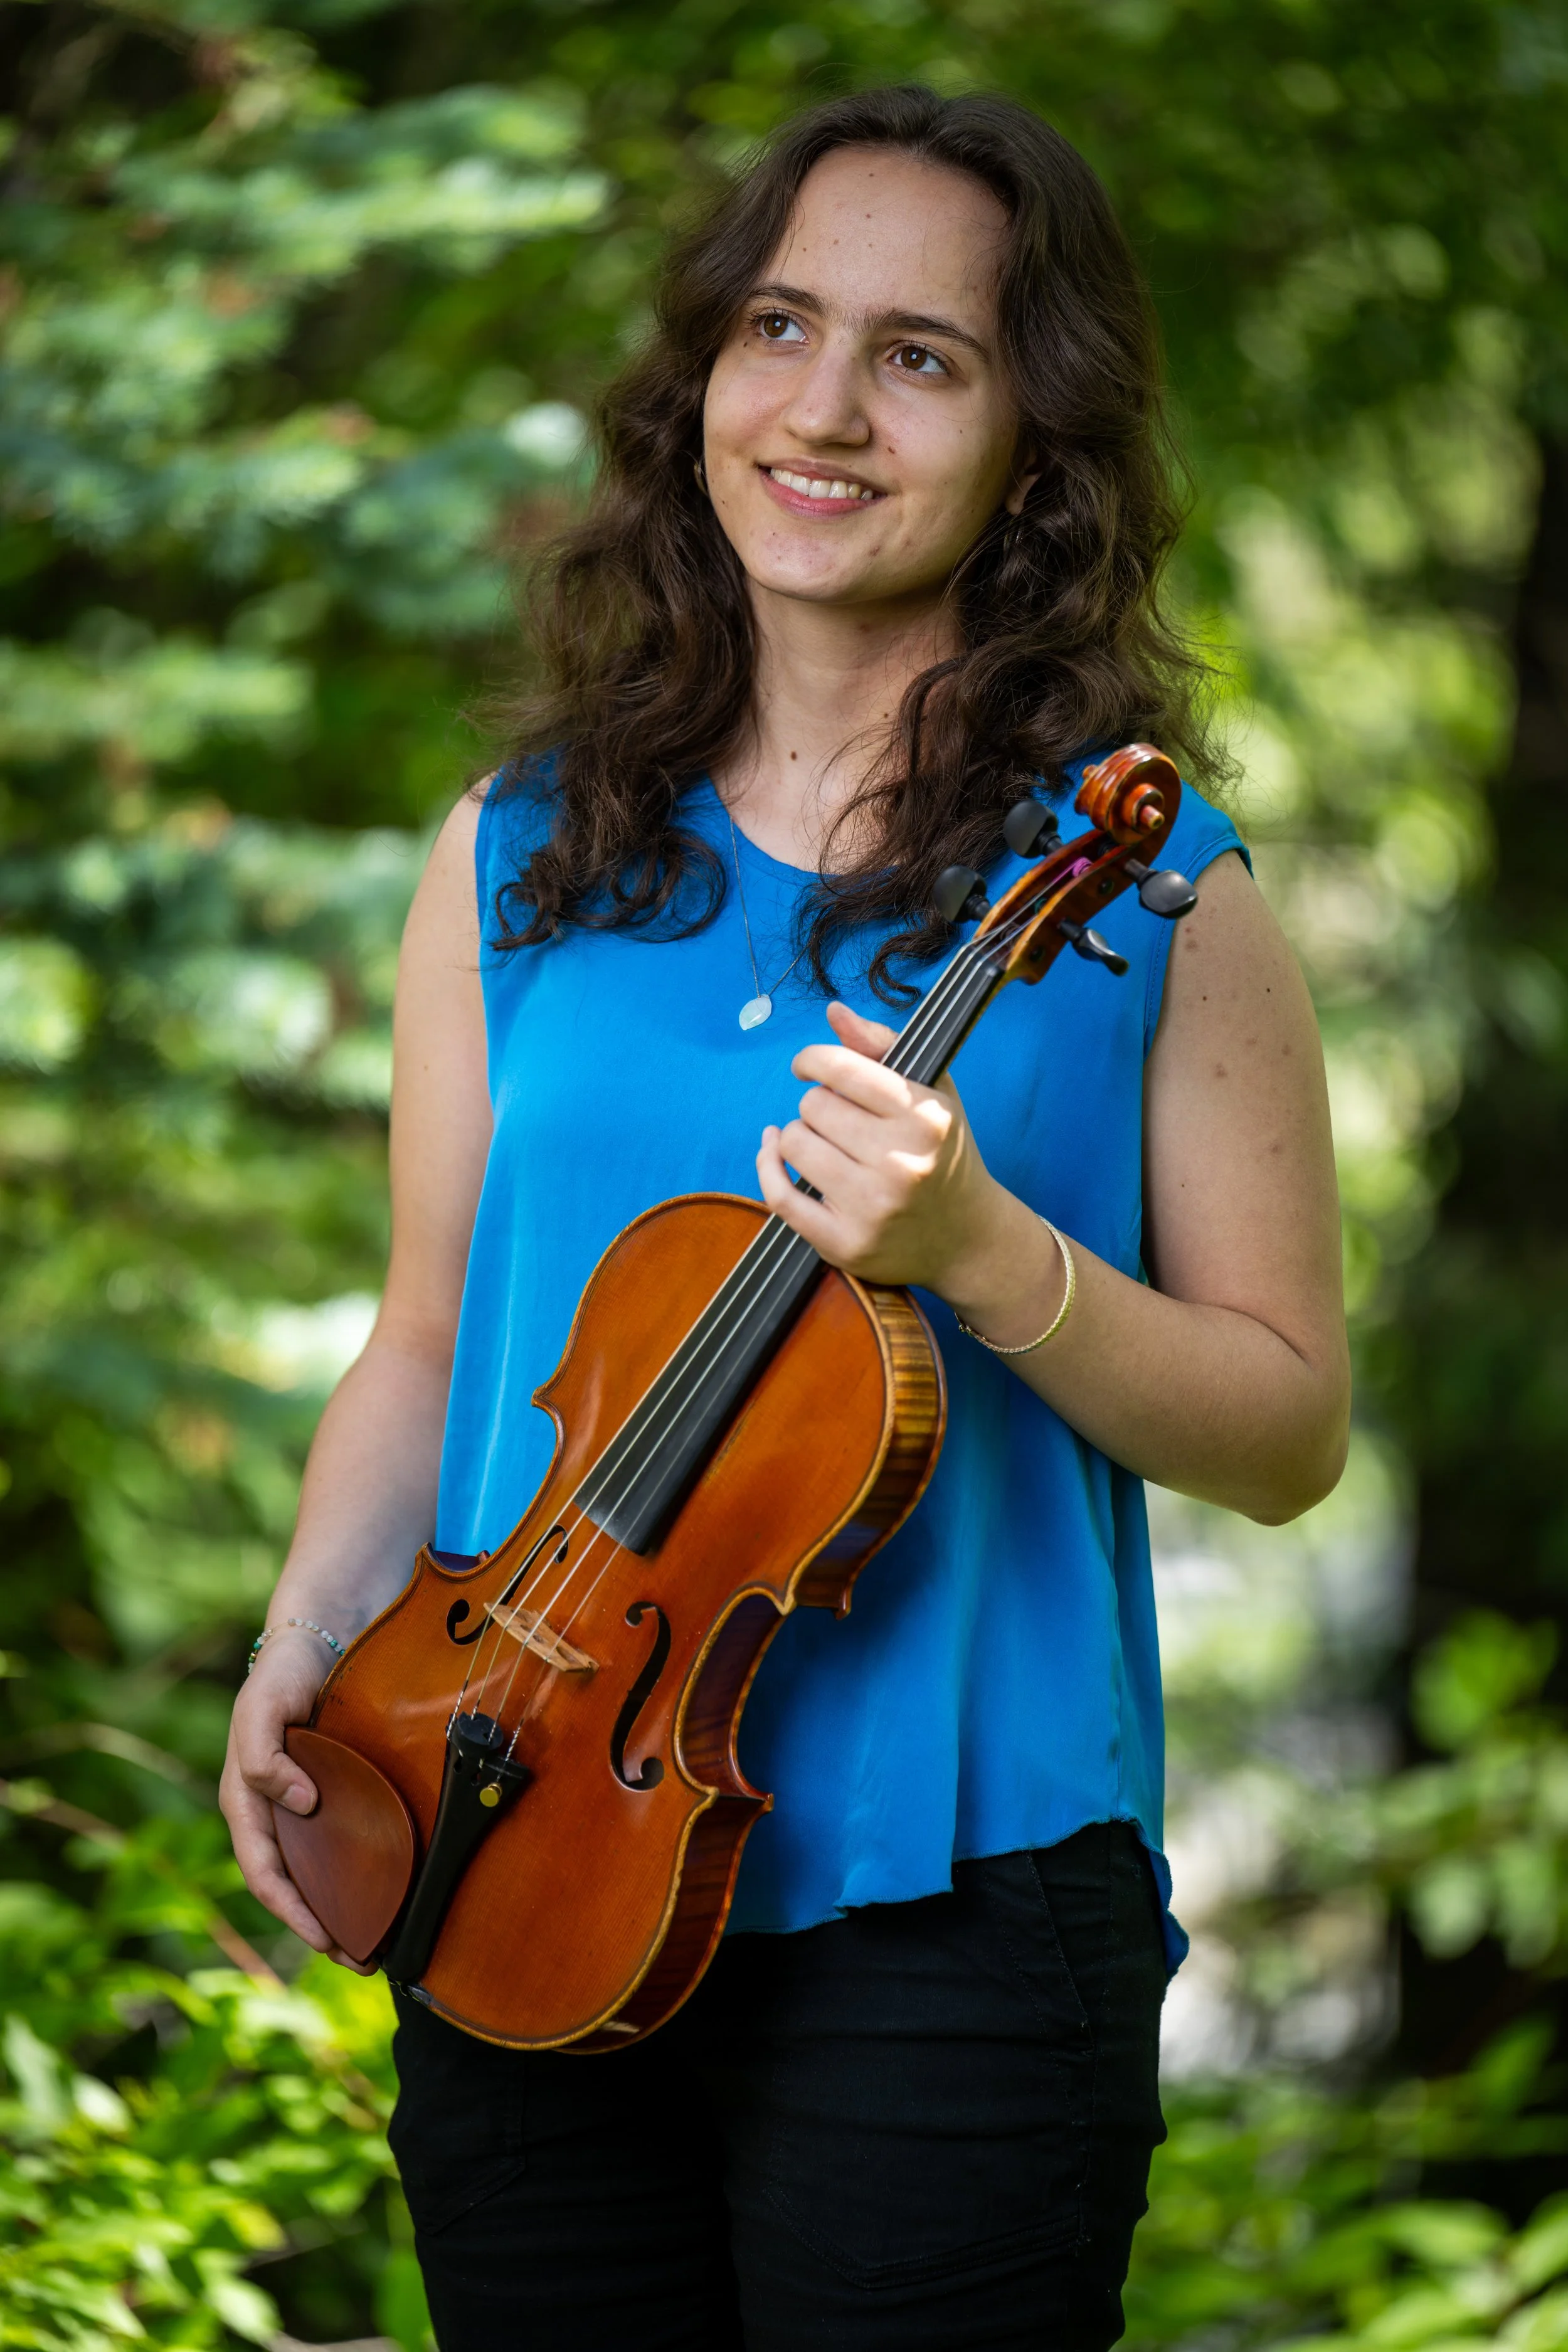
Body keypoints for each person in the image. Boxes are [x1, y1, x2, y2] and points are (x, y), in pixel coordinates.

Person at [221, 85, 1348, 2352]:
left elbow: (1286, 1428)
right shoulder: (515, 853)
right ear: (703, 382)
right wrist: (305, 1640)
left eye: (920, 355)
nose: (821, 410)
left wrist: (991, 1262)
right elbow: (432, 1340)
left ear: (1036, 440)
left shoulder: (1147, 892)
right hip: (519, 1833)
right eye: (778, 327)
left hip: (956, 1923)